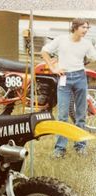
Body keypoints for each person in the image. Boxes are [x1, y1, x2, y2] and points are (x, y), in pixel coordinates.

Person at [41, 18, 96, 157]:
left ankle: (80, 145)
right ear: (75, 27)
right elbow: (44, 51)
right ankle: (60, 149)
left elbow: (93, 57)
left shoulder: (87, 43)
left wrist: (84, 62)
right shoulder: (61, 40)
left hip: (80, 78)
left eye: (87, 28)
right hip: (64, 78)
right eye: (83, 27)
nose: (86, 30)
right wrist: (53, 67)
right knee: (62, 115)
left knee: (81, 115)